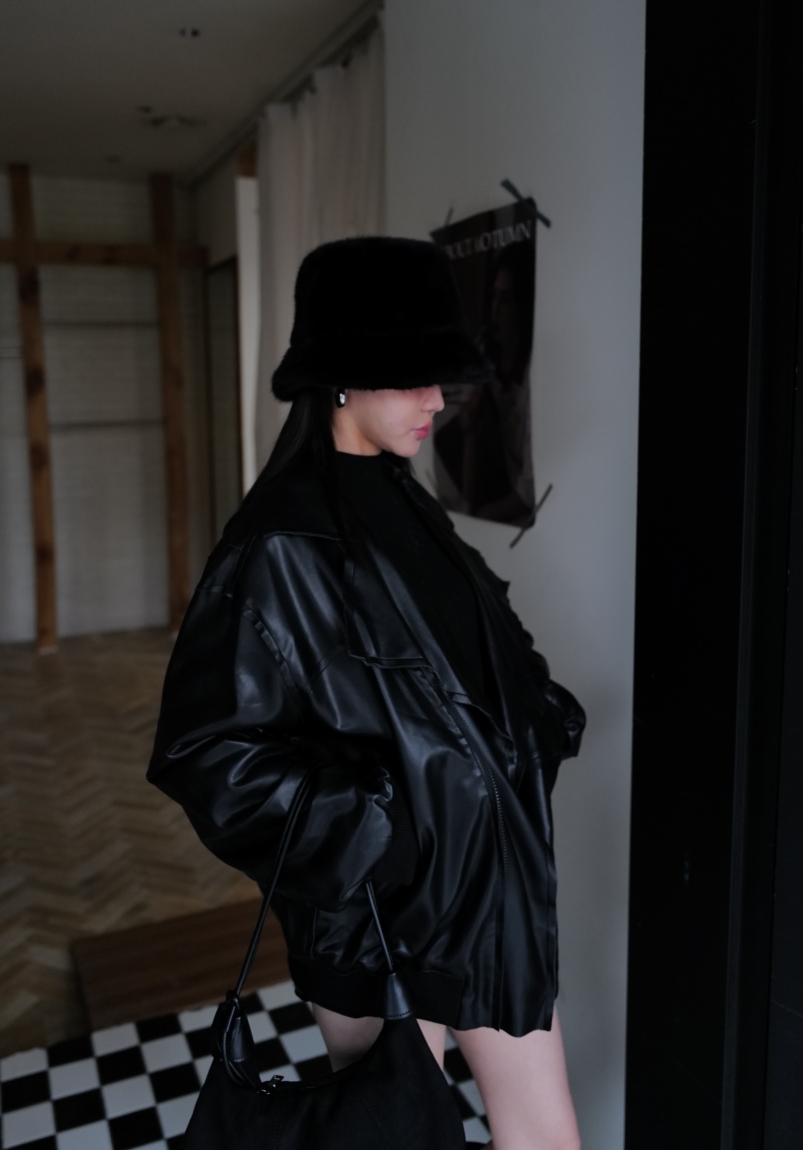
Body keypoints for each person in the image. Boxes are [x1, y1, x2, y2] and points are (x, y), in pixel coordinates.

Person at [147, 237, 585, 1150]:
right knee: (393, 1133)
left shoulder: (405, 501)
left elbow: (477, 658)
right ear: (342, 377)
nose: (438, 401)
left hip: (489, 889)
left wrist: (540, 718)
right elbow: (207, 750)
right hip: (377, 913)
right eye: (415, 378)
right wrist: (379, 831)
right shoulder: (279, 542)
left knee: (545, 1133)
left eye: (441, 377)